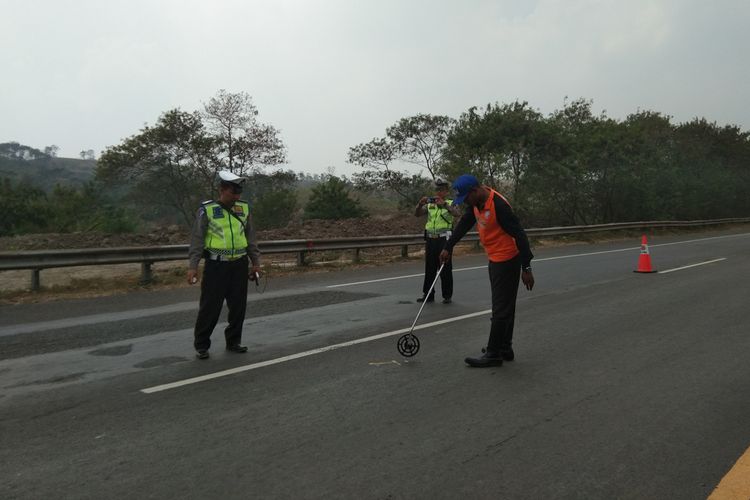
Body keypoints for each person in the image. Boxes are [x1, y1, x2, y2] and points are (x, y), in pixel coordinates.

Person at [439, 174, 535, 368]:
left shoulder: (499, 206)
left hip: (507, 259)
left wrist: (526, 267)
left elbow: (520, 234)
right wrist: (448, 246)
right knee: (505, 306)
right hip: (494, 258)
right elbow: (465, 224)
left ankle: (493, 354)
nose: (465, 202)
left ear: (475, 191)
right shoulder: (476, 204)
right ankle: (504, 348)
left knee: (500, 307)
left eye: (466, 198)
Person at [187, 170, 262, 359]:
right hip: (216, 266)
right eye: (232, 192)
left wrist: (256, 263)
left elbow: (250, 238)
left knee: (238, 306)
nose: (236, 196)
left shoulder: (243, 209)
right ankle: (202, 345)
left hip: (239, 264)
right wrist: (193, 266)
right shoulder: (208, 210)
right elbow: (197, 239)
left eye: (239, 193)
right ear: (222, 190)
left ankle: (234, 341)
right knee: (210, 307)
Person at [415, 177, 462, 304]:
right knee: (429, 267)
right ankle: (428, 294)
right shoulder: (430, 204)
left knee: (444, 267)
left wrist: (445, 205)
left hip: (444, 239)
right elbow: (417, 214)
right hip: (430, 239)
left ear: (446, 191)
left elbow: (458, 213)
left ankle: (447, 295)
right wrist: (420, 204)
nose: (439, 192)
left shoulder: (452, 202)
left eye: (441, 190)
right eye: (437, 190)